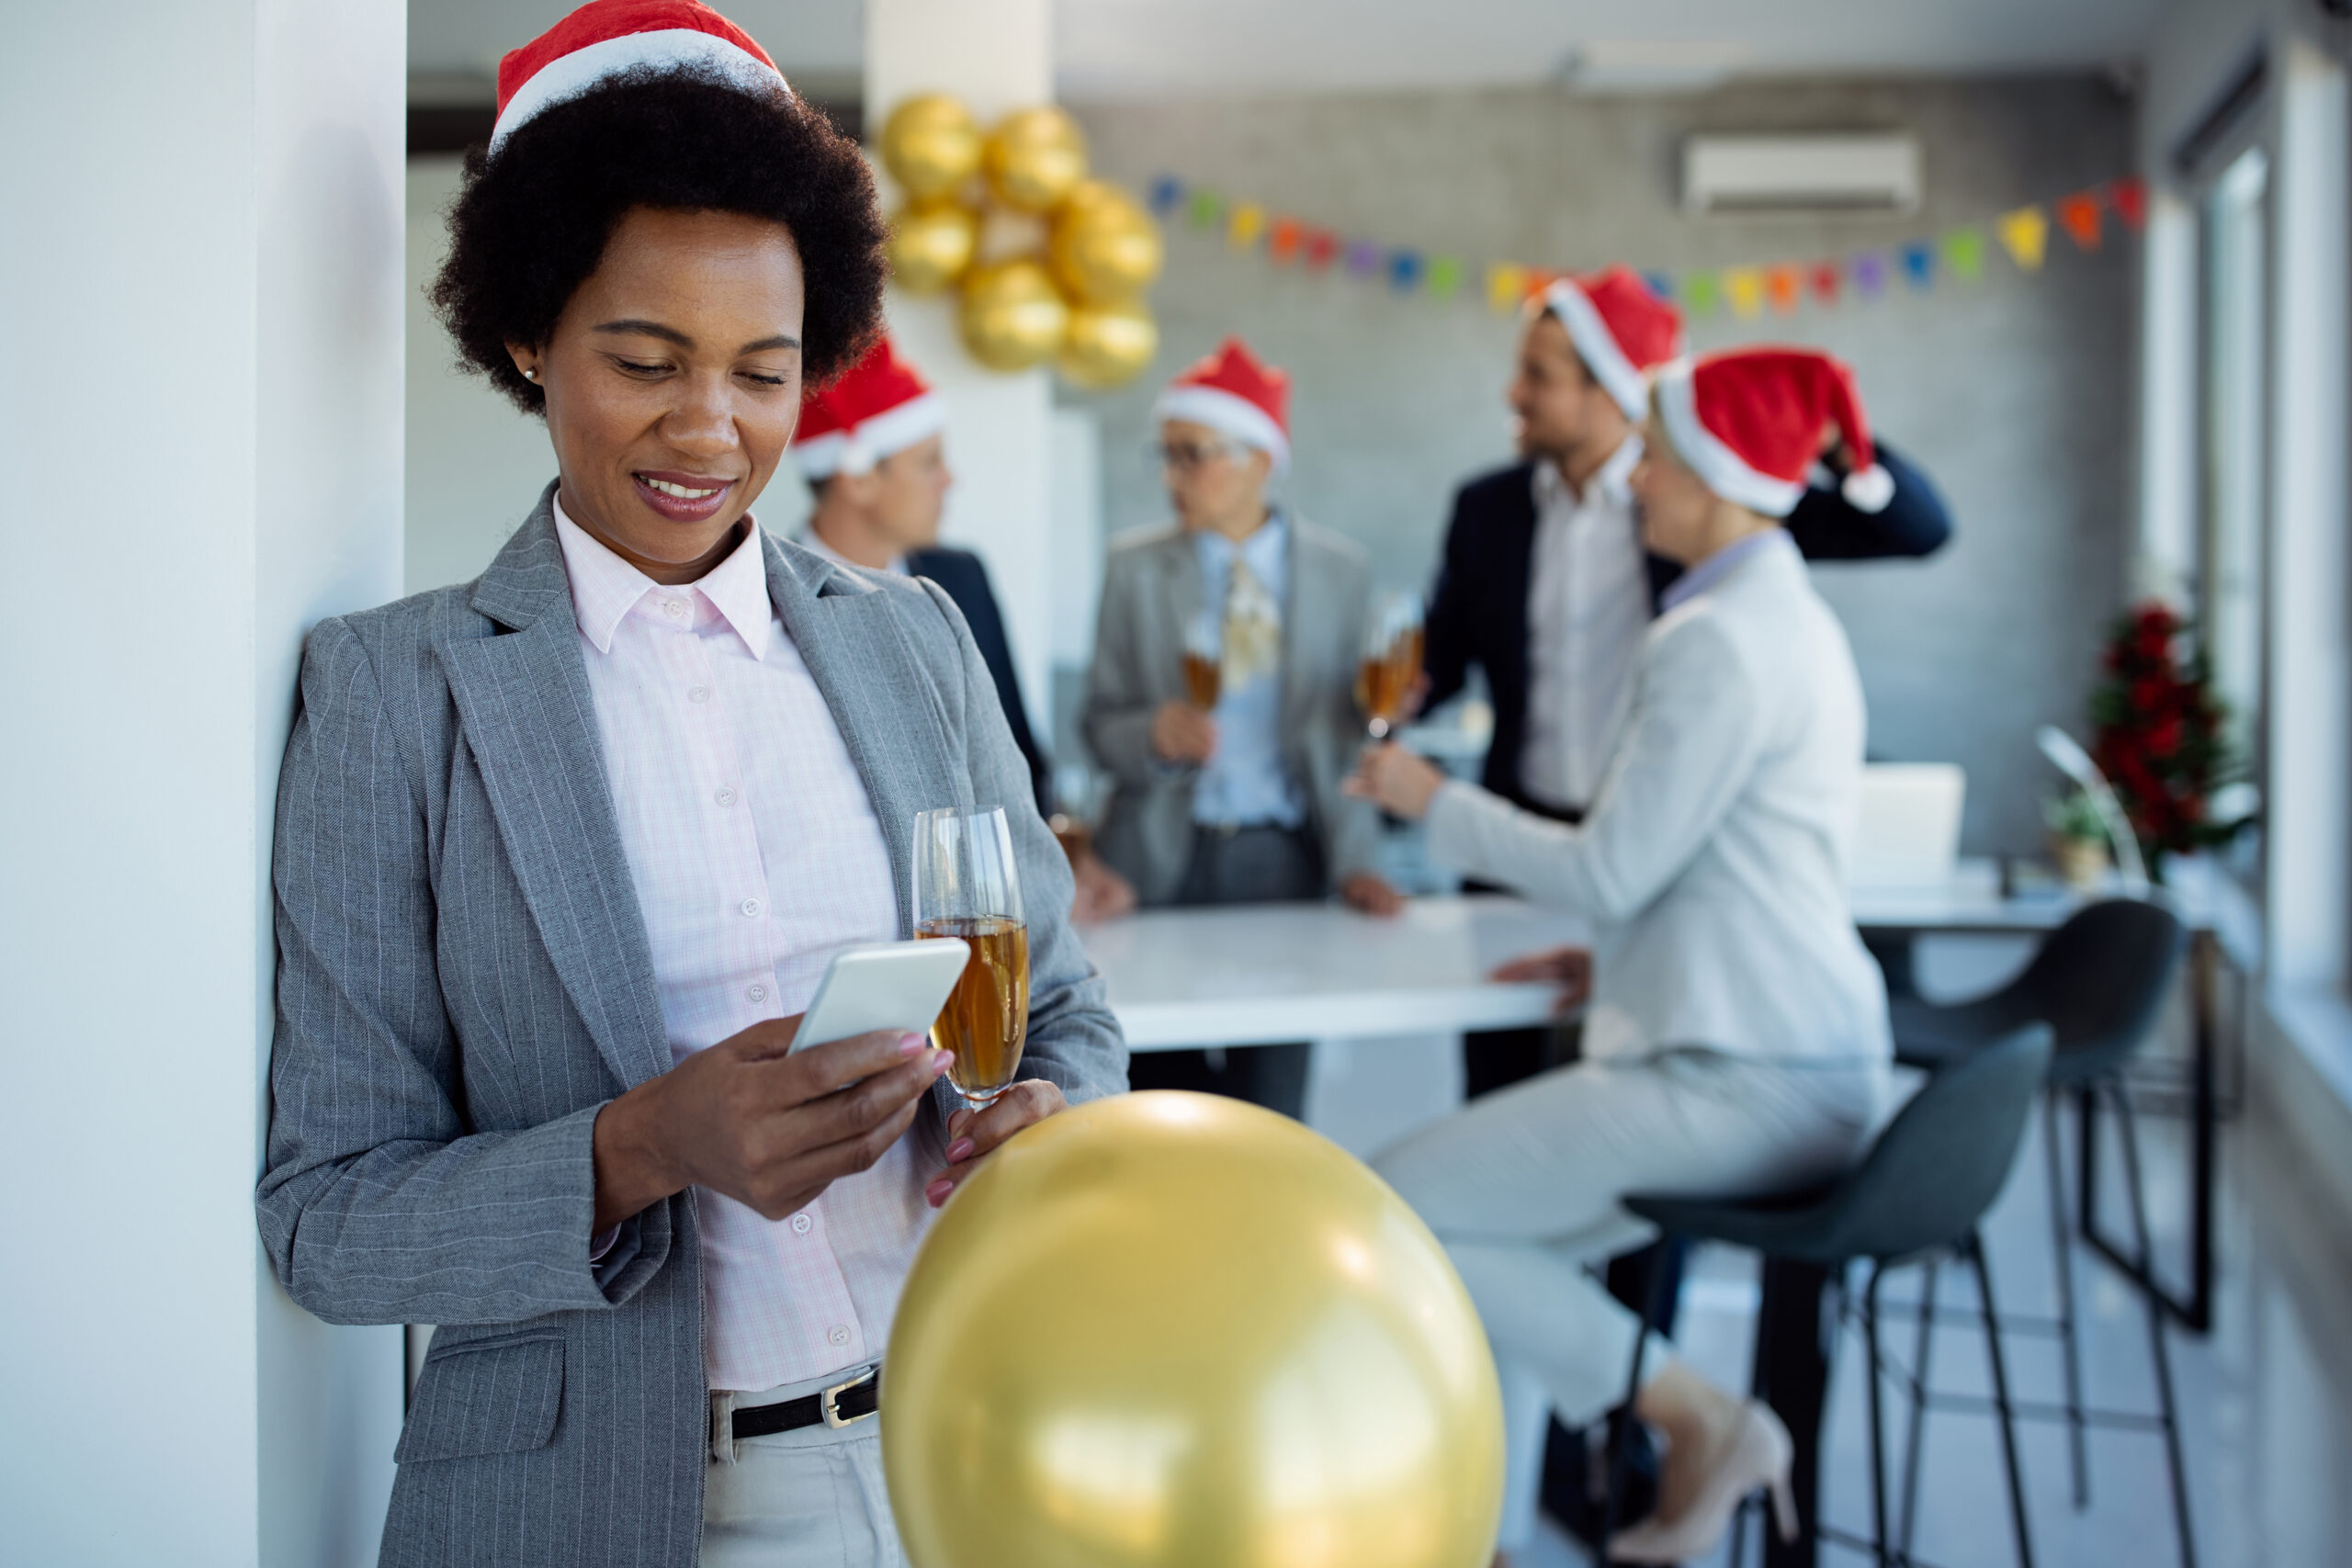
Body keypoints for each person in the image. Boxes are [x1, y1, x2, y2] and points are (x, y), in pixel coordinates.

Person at [254, 7, 1124, 1567]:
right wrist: (642, 1145)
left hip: (980, 1434)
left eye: (764, 373)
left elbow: (1064, 1008)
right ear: (529, 332)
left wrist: (1053, 1114)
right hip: (620, 1506)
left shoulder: (911, 640)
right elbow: (328, 1215)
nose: (707, 431)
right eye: (644, 361)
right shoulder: (395, 695)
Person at [1350, 346, 1899, 1565]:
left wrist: (1431, 797)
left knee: (1394, 1210)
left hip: (1746, 1074)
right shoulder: (1786, 612)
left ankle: (1708, 1418)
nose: (1637, 477)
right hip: (1801, 1049)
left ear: (1710, 470)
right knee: (1501, 1240)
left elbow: (1609, 866)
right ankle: (1487, 1530)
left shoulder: (1712, 634)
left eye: (1656, 452)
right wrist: (1627, 955)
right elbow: (1721, 858)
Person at [1422, 266, 1951, 1097]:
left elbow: (1920, 527)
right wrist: (1391, 695)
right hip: (1520, 843)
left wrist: (1816, 425)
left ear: (1612, 396)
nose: (1513, 392)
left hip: (1661, 853)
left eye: (1540, 375)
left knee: (1648, 1088)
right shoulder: (1488, 508)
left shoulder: (1703, 495)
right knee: (1503, 1084)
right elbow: (1440, 658)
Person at [1081, 338, 1403, 1119]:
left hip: (1287, 858)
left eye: (1192, 456)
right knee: (1158, 1095)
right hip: (1159, 859)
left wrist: (1361, 858)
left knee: (1274, 1102)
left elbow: (1350, 734)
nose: (1173, 477)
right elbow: (1094, 728)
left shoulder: (1341, 571)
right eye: (1167, 456)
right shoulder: (1134, 569)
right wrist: (1151, 735)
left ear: (1259, 457)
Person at [791, 335, 1136, 924]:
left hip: (982, 919)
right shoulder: (768, 596)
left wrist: (1060, 869)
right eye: (928, 462)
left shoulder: (960, 576)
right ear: (858, 478)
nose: (948, 480)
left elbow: (1017, 751)